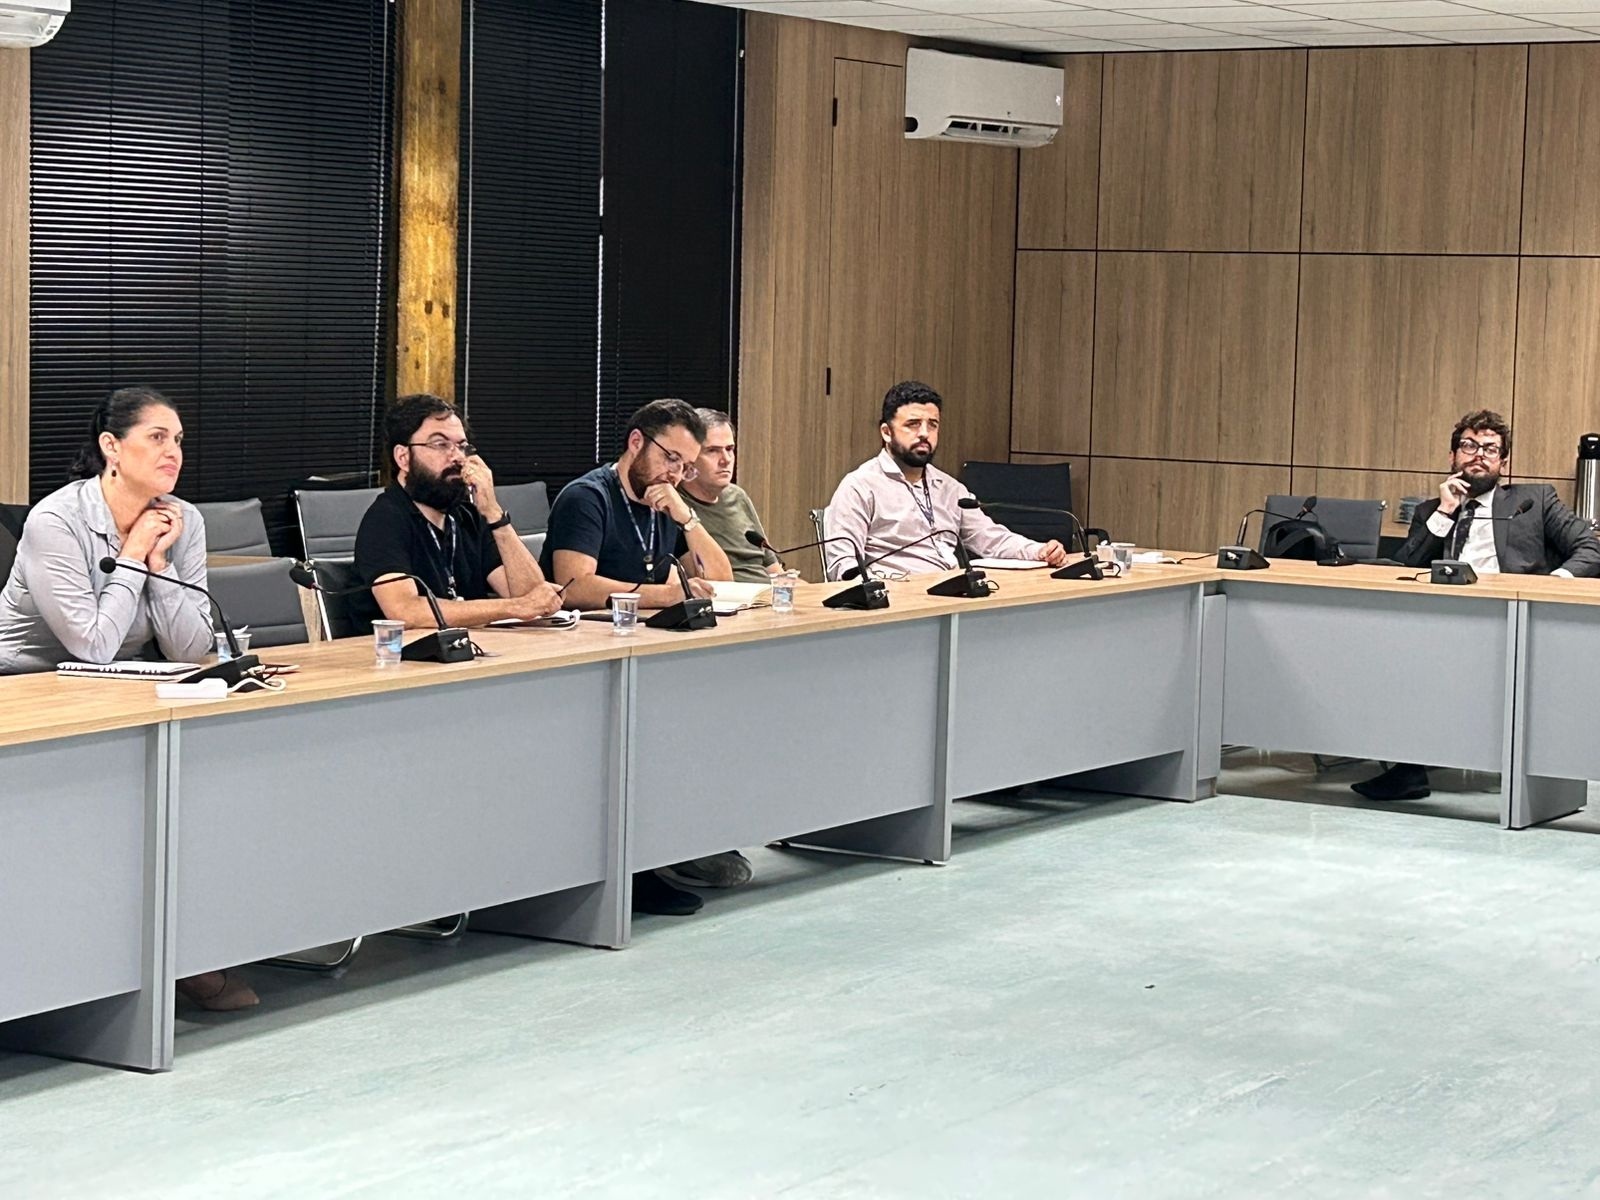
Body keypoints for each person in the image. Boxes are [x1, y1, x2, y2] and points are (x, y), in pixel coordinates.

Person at [0, 386, 256, 1012]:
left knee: (195, 795)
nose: (174, 453)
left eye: (179, 441)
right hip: (27, 688)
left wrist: (161, 563)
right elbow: (90, 644)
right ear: (111, 448)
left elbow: (192, 644)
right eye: (157, 438)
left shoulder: (183, 519)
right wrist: (135, 554)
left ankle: (177, 953)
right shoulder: (56, 521)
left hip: (124, 686)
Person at [543, 399, 737, 917]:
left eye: (686, 466)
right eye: (671, 458)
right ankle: (636, 870)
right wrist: (664, 595)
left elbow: (720, 578)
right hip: (580, 655)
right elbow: (573, 585)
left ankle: (679, 845)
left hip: (642, 649)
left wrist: (686, 516)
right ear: (636, 443)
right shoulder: (588, 497)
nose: (676, 473)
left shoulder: (663, 503)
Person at [1353, 408, 1600, 801]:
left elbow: (1589, 547)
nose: (1478, 455)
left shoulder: (1534, 501)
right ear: (1453, 457)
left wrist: (1554, 585)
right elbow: (1404, 567)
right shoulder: (1430, 510)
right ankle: (1408, 768)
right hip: (1445, 623)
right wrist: (1445, 511)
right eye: (1469, 446)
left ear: (1504, 463)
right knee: (1397, 654)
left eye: (1490, 448)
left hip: (1516, 620)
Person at [823, 380, 1072, 582]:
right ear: (886, 432)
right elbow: (843, 565)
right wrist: (875, 593)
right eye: (913, 424)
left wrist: (1038, 551)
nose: (924, 433)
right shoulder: (860, 486)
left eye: (932, 425)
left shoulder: (950, 488)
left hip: (951, 594)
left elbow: (990, 538)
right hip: (895, 601)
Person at [354, 395, 564, 630]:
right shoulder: (385, 520)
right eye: (440, 444)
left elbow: (535, 600)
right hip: (406, 651)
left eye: (462, 446)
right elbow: (406, 611)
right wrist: (513, 608)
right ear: (403, 457)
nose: (457, 457)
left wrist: (494, 514)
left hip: (473, 647)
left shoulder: (468, 517)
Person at [677, 409, 786, 585]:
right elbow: (706, 580)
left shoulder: (737, 496)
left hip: (768, 594)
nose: (726, 459)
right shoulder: (676, 505)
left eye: (730, 449)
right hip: (730, 596)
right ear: (688, 457)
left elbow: (775, 572)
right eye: (712, 451)